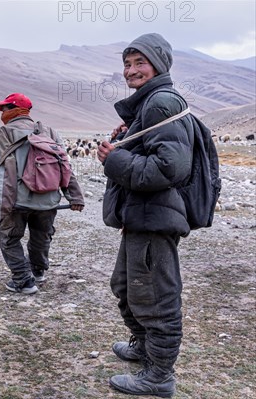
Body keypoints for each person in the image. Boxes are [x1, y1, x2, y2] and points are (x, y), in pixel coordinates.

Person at [97, 33, 194, 397]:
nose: (131, 70)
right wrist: (129, 139)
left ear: (159, 64)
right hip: (141, 216)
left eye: (140, 62)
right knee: (126, 287)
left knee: (155, 297)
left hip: (155, 218)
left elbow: (171, 169)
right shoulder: (148, 106)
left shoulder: (160, 104)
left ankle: (159, 376)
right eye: (127, 63)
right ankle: (142, 347)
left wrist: (115, 159)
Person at [0, 93, 84, 294]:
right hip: (49, 199)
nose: (3, 113)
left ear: (14, 110)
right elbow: (65, 166)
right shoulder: (49, 131)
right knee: (41, 237)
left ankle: (23, 281)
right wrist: (75, 196)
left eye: (5, 109)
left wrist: (2, 203)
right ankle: (38, 271)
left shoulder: (5, 132)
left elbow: (5, 169)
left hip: (18, 199)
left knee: (9, 238)